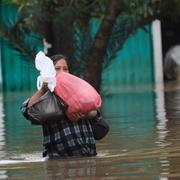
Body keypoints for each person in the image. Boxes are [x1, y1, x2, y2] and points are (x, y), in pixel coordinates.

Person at [21, 54, 101, 158]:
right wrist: (42, 90)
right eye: (57, 69)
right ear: (49, 71)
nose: (62, 72)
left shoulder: (78, 91)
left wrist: (84, 115)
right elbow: (27, 111)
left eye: (65, 69)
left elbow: (96, 112)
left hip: (88, 154)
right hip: (59, 159)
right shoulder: (46, 96)